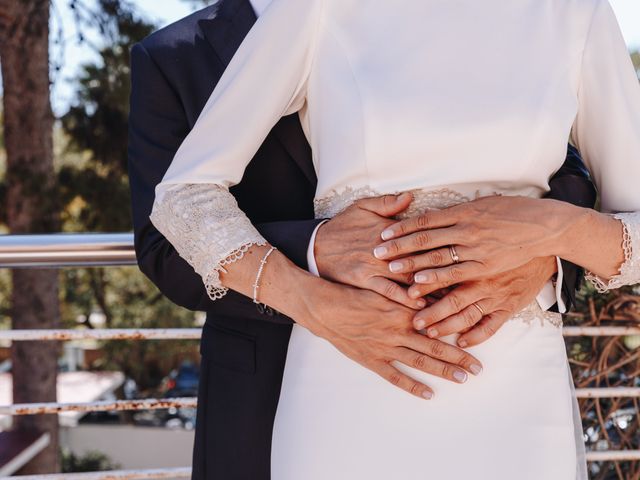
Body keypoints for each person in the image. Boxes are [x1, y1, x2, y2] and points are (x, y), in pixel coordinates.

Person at [127, 0, 636, 479]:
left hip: (518, 393)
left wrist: (555, 232)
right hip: (348, 380)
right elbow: (183, 198)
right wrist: (311, 297)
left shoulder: (575, 11)